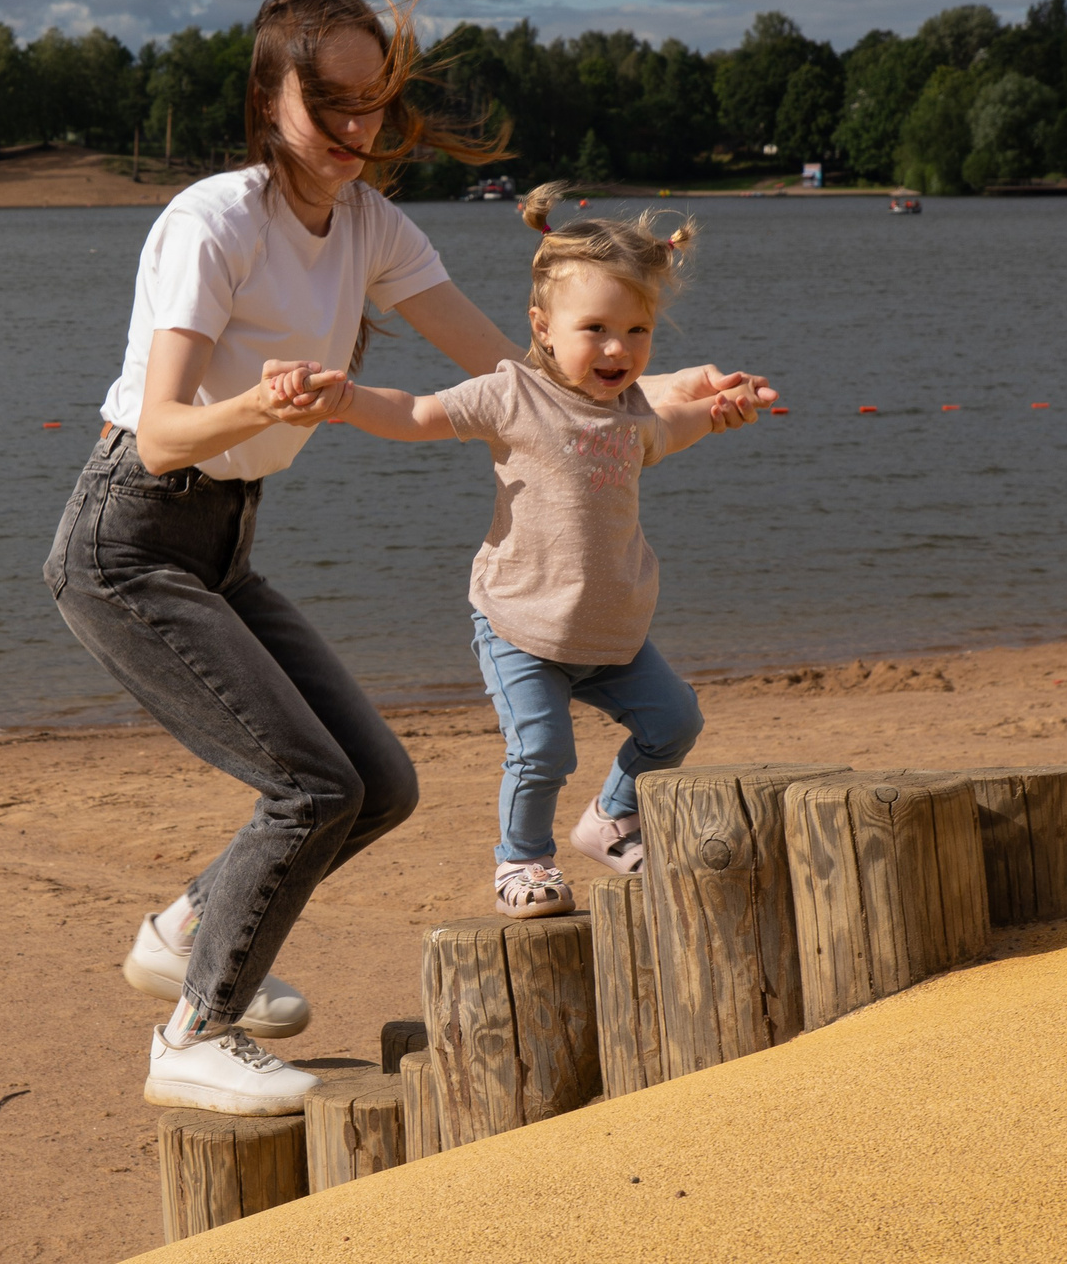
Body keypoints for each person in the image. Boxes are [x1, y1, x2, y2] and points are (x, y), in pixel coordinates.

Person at [43, 0, 775, 1117]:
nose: (354, 131)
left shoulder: (373, 227)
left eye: (371, 103)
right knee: (309, 784)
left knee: (377, 784)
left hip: (222, 543)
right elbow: (162, 428)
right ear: (267, 92)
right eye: (326, 101)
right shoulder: (213, 220)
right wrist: (272, 402)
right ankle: (194, 1027)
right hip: (129, 539)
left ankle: (184, 931)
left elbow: (514, 379)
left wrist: (668, 382)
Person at [273, 183, 745, 920]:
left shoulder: (632, 412)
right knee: (543, 749)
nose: (618, 348)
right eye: (596, 327)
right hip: (521, 627)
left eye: (638, 329)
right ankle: (522, 860)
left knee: (676, 721)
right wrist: (345, 398)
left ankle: (610, 819)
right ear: (543, 327)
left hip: (612, 633)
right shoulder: (511, 394)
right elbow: (419, 411)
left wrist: (719, 412)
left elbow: (674, 426)